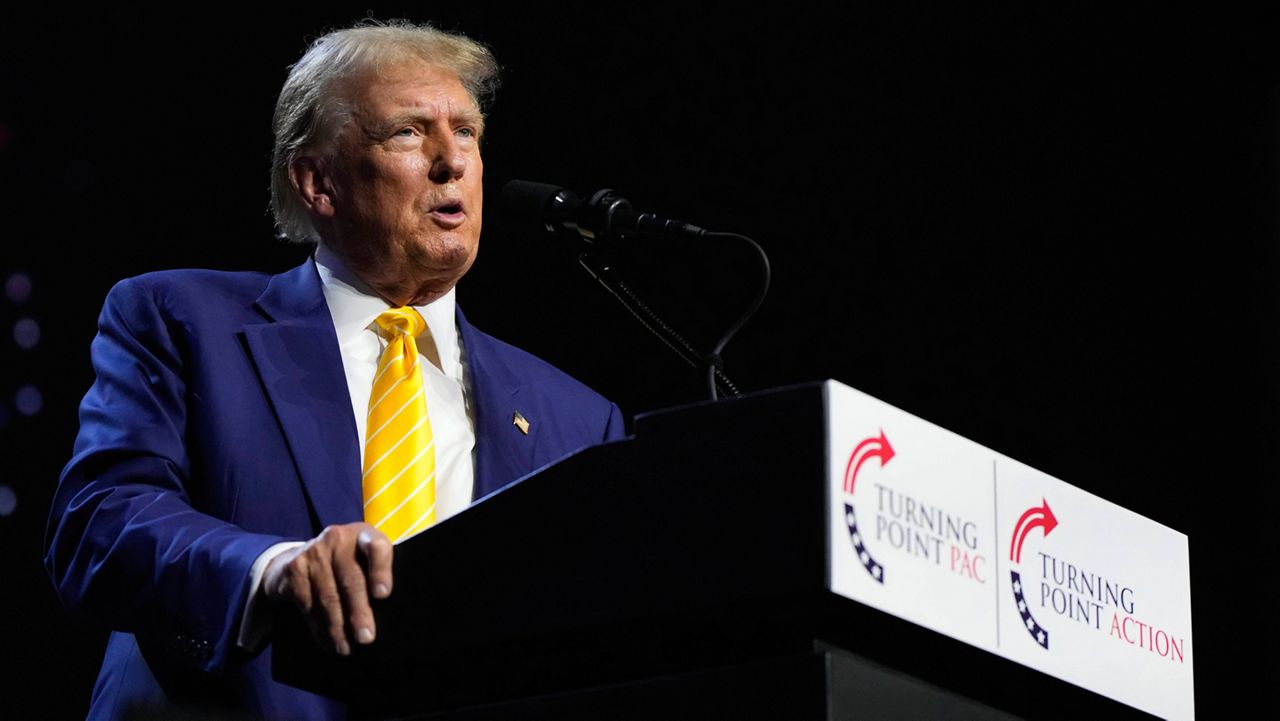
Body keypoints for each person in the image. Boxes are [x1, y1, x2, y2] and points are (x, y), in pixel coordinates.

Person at [44, 20, 624, 721]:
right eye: (409, 133)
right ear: (319, 182)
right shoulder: (180, 320)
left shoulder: (579, 419)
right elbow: (99, 525)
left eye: (466, 132)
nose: (452, 163)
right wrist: (273, 570)